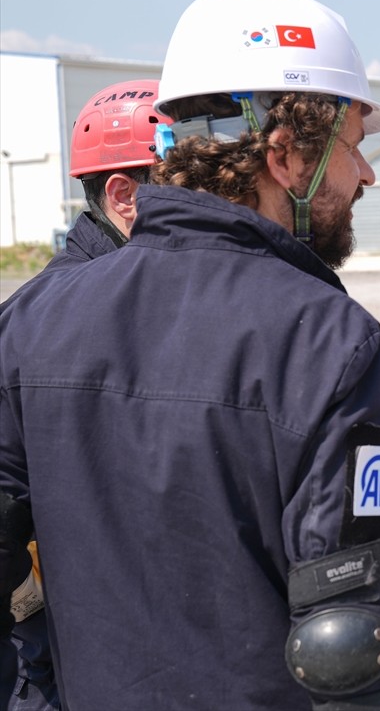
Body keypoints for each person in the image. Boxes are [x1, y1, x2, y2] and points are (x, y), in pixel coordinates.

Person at [0, 0, 380, 708]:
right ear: (287, 155)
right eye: (354, 147)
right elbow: (342, 633)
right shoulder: (327, 339)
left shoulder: (33, 316)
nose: (368, 176)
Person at [3, 79, 170, 711]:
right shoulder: (42, 320)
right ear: (124, 197)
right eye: (187, 189)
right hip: (64, 660)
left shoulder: (160, 300)